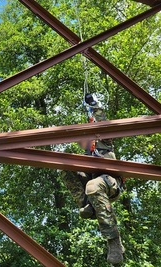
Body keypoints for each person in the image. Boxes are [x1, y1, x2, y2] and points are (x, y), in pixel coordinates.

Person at [61, 94, 125, 264]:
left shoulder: (105, 143)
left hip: (110, 184)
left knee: (93, 185)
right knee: (66, 169)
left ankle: (114, 241)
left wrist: (93, 104)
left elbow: (103, 122)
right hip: (93, 187)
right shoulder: (86, 153)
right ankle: (86, 204)